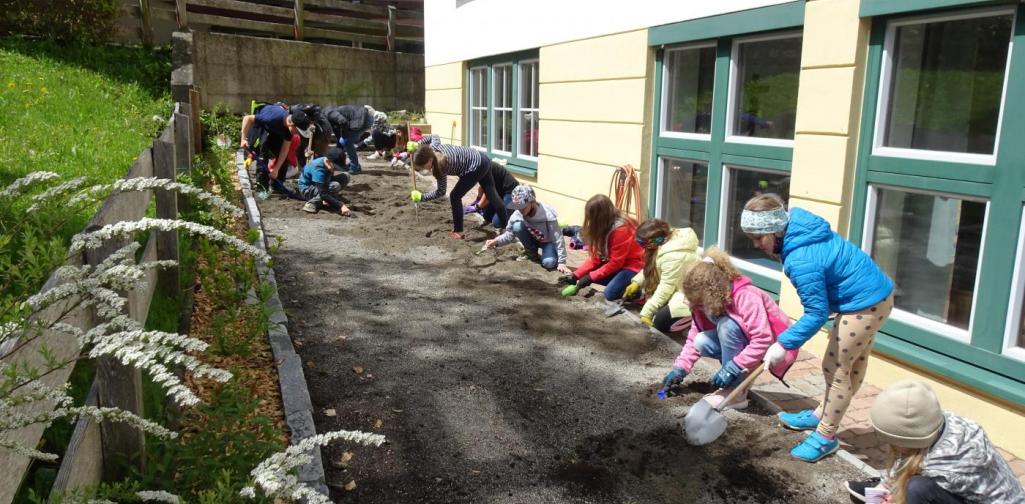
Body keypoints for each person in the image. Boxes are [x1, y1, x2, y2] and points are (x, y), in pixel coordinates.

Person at [745, 193, 895, 462]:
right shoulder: (800, 227)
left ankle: (826, 435)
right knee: (850, 364)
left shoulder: (802, 259)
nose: (756, 244)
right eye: (752, 238)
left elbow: (816, 313)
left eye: (759, 237)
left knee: (835, 367)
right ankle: (820, 416)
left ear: (777, 230)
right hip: (876, 296)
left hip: (864, 305)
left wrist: (783, 344)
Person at [845, 380, 1025, 504]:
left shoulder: (946, 465)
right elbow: (906, 460)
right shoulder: (940, 421)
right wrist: (881, 490)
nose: (889, 445)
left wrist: (884, 497)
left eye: (893, 440)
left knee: (916, 490)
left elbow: (909, 474)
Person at [661, 248, 792, 409]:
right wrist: (680, 368)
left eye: (701, 303)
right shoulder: (704, 302)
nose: (698, 307)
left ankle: (736, 393)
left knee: (727, 326)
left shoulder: (746, 296)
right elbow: (693, 337)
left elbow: (762, 339)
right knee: (700, 340)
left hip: (771, 348)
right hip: (744, 344)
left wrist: (734, 367)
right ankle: (734, 375)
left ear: (712, 293)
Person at [410, 134, 510, 239]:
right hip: (482, 158)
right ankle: (506, 227)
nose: (424, 169)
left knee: (455, 196)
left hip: (476, 167)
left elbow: (441, 192)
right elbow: (434, 136)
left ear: (430, 160)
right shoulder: (433, 148)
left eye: (423, 166)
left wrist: (422, 197)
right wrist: (418, 144)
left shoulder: (441, 166)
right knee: (492, 194)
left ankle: (458, 231)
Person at [558, 194, 644, 301]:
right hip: (620, 264)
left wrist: (591, 277)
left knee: (610, 294)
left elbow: (615, 263)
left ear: (600, 217)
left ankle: (637, 290)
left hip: (634, 266)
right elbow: (595, 258)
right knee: (586, 275)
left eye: (591, 218)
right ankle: (621, 283)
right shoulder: (601, 227)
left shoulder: (621, 229)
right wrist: (576, 275)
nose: (590, 221)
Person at [622, 219, 699, 333]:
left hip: (689, 294)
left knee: (660, 324)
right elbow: (651, 267)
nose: (641, 246)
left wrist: (646, 312)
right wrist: (636, 282)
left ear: (654, 241)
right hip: (675, 287)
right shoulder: (663, 242)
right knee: (658, 313)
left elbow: (666, 287)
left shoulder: (674, 256)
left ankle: (694, 317)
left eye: (643, 243)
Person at [483, 185, 571, 273]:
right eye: (517, 206)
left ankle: (549, 254)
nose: (520, 209)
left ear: (532, 202)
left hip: (547, 242)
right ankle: (531, 253)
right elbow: (509, 234)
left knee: (549, 263)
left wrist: (562, 262)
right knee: (517, 226)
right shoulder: (517, 215)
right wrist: (496, 241)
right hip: (532, 240)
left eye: (522, 206)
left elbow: (558, 238)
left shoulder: (547, 214)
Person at [240, 102, 314, 193]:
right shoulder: (272, 118)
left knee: (284, 158)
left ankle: (277, 186)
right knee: (263, 156)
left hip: (275, 131)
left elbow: (284, 149)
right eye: (297, 131)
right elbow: (247, 118)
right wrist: (243, 139)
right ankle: (261, 189)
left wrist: (276, 169)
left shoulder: (289, 131)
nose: (297, 134)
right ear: (291, 124)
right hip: (262, 127)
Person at [323, 104, 383, 175]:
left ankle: (355, 167)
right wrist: (337, 156)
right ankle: (355, 166)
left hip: (362, 119)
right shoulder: (330, 119)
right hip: (361, 119)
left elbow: (343, 121)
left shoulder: (329, 114)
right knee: (345, 142)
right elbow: (339, 138)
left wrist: (344, 137)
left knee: (347, 143)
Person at [298, 147, 351, 216]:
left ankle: (327, 198)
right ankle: (312, 203)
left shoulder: (327, 163)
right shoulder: (318, 169)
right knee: (335, 186)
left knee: (346, 176)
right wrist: (341, 206)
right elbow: (323, 193)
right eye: (335, 167)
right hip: (307, 189)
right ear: (327, 162)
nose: (335, 170)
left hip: (320, 184)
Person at [467, 160, 518, 229]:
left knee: (497, 223)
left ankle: (513, 216)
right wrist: (477, 199)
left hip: (511, 191)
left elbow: (488, 195)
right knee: (487, 216)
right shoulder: (479, 167)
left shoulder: (484, 168)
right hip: (500, 192)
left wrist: (478, 207)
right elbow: (482, 187)